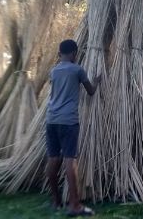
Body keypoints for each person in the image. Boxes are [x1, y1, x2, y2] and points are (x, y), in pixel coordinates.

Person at [46, 39, 98, 217]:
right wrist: (97, 81)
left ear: (60, 53)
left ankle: (55, 201)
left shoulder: (53, 71)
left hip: (51, 120)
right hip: (68, 121)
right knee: (70, 160)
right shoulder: (78, 69)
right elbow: (91, 91)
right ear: (74, 53)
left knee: (53, 159)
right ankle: (75, 205)